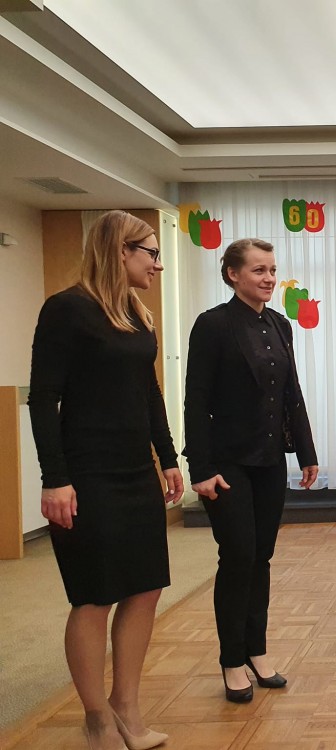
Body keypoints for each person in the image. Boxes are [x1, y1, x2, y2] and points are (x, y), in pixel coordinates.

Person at [28, 210, 182, 750]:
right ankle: (96, 718)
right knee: (95, 596)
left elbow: (149, 392)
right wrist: (55, 478)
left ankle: (126, 707)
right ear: (121, 251)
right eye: (152, 253)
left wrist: (167, 457)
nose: (158, 265)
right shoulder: (67, 309)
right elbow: (43, 399)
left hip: (135, 470)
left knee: (146, 587)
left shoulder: (138, 314)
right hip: (86, 474)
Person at [183, 238, 318, 702]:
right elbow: (196, 400)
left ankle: (257, 651)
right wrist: (199, 468)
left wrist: (305, 452)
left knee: (261, 556)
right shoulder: (213, 324)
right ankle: (231, 659)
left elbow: (290, 393)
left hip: (269, 460)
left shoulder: (280, 324)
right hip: (225, 463)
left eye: (272, 270)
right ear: (232, 274)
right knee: (238, 555)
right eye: (259, 270)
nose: (269, 278)